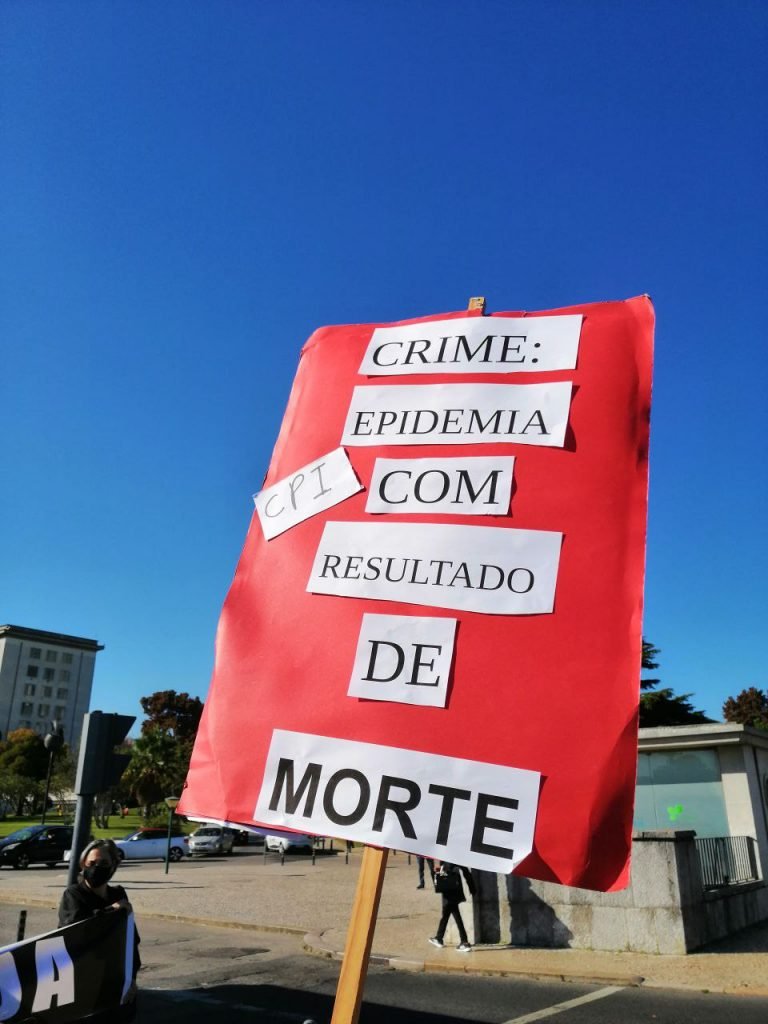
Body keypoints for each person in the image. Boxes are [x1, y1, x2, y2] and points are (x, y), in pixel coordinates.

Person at [58, 838, 140, 1020]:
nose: (97, 867)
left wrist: (131, 979)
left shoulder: (118, 894)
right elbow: (76, 929)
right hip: (83, 983)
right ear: (83, 864)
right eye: (92, 863)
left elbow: (130, 940)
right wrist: (110, 911)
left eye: (104, 863)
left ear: (113, 866)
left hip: (114, 981)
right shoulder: (74, 895)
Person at [429, 861, 475, 952]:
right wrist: (472, 888)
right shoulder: (455, 857)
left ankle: (464, 942)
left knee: (449, 915)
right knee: (450, 915)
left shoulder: (447, 859)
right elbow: (466, 871)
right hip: (455, 889)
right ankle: (440, 938)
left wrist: (436, 870)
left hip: (449, 890)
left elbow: (443, 873)